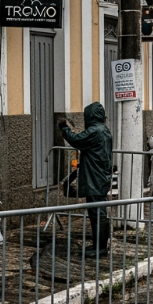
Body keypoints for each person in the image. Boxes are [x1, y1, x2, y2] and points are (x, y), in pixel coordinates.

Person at [58, 103, 113, 256]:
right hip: (99, 176)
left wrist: (65, 128)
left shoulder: (95, 131)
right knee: (96, 213)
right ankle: (97, 246)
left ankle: (100, 248)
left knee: (98, 213)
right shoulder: (103, 129)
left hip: (95, 177)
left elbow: (76, 140)